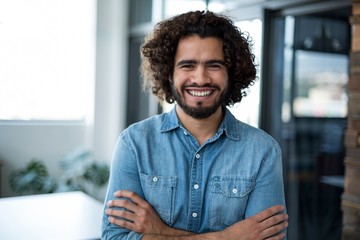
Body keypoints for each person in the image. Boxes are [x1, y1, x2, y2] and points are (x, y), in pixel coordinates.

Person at [102, 10, 288, 240]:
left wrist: (160, 232)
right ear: (168, 73)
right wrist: (226, 237)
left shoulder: (263, 151)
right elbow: (115, 237)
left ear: (231, 73)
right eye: (187, 65)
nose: (200, 79)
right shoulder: (134, 143)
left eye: (214, 66)